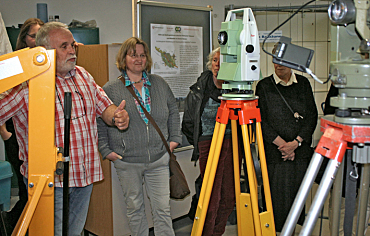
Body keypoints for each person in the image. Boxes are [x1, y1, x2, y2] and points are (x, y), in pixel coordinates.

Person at [0, 21, 129, 236]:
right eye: (64, 46)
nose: (72, 50)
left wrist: (116, 115)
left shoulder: (83, 75)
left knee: (73, 232)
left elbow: (104, 106)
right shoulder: (26, 85)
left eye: (72, 45)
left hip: (83, 174)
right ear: (45, 51)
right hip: (49, 181)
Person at [97, 37, 181, 236]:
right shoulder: (110, 89)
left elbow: (173, 111)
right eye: (133, 55)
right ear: (123, 58)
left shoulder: (159, 83)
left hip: (159, 159)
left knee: (162, 210)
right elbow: (100, 120)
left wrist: (174, 139)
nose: (139, 59)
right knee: (135, 210)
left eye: (142, 55)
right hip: (127, 161)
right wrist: (106, 150)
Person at [255, 45, 318, 234]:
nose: (277, 64)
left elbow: (312, 117)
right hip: (275, 154)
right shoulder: (264, 86)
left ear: (291, 61)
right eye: (274, 59)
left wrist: (296, 144)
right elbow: (261, 121)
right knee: (274, 199)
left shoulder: (304, 84)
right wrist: (283, 145)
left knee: (296, 196)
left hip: (299, 153)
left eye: (282, 59)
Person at [182, 47, 240, 236]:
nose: (218, 64)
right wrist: (201, 143)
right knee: (211, 196)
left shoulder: (237, 87)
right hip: (208, 144)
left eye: (222, 61)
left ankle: (217, 232)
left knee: (229, 196)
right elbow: (189, 123)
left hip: (232, 144)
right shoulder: (199, 89)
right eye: (215, 60)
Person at [0, 18, 44, 235]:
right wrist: (5, 134)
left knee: (37, 193)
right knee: (27, 191)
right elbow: (2, 97)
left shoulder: (47, 61)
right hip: (16, 133)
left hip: (40, 134)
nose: (37, 40)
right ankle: (14, 224)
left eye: (41, 35)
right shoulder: (14, 63)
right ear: (24, 38)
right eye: (33, 35)